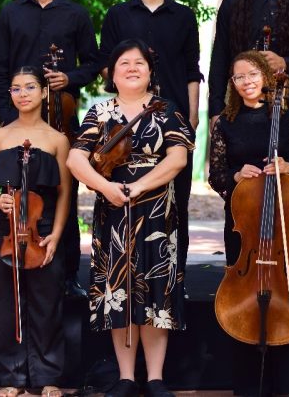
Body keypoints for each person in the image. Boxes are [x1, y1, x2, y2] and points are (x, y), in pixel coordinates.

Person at [67, 39, 194, 397]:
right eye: (124, 63)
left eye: (140, 62)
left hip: (157, 212)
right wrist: (106, 188)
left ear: (151, 71)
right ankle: (125, 377)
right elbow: (76, 160)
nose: (132, 68)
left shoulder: (167, 110)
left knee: (155, 289)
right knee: (118, 288)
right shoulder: (99, 111)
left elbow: (177, 159)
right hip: (113, 212)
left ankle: (154, 378)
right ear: (111, 73)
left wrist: (138, 187)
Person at [0, 0, 100, 299]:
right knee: (15, 193)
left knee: (62, 194)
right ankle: (13, 259)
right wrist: (9, 117)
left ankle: (68, 274)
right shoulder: (10, 13)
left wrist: (70, 78)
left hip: (59, 124)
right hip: (16, 122)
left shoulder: (76, 14)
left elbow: (93, 63)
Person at [208, 50, 289, 397]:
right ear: (232, 83)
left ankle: (287, 382)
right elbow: (216, 175)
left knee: (287, 295)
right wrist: (237, 175)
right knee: (246, 295)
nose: (246, 81)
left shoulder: (287, 118)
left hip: (285, 223)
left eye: (252, 74)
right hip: (245, 223)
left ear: (266, 78)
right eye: (238, 77)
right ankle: (246, 382)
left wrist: (287, 167)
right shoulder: (223, 122)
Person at [99, 0, 201, 289]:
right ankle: (121, 275)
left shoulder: (184, 16)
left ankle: (176, 278)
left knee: (177, 202)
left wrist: (192, 117)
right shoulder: (117, 14)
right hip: (126, 122)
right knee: (120, 196)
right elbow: (105, 67)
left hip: (172, 120)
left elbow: (192, 70)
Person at [0, 67, 72, 397]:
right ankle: (12, 376)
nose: (23, 93)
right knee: (7, 303)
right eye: (16, 88)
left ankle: (48, 375)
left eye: (30, 87)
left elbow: (64, 193)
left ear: (44, 92)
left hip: (43, 226)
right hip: (6, 226)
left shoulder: (58, 139)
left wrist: (57, 235)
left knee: (47, 301)